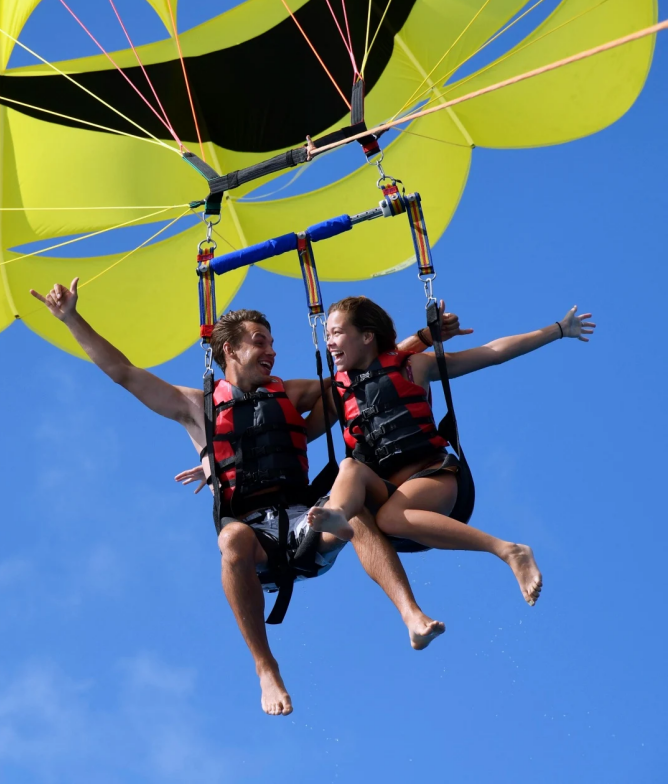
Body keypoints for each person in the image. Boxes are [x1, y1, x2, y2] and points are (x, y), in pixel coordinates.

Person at [30, 278, 467, 716]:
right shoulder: (195, 407)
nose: (271, 351)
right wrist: (71, 319)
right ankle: (266, 668)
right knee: (231, 540)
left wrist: (422, 339)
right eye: (260, 342)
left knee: (352, 506)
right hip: (254, 538)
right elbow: (124, 373)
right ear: (230, 351)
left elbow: (367, 370)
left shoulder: (292, 393)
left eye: (272, 342)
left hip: (308, 521)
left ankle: (411, 614)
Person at [307, 296, 596, 606]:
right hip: (386, 492)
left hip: (435, 477)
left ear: (366, 336)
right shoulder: (336, 394)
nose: (330, 342)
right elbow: (299, 433)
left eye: (337, 333)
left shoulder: (413, 366)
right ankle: (339, 513)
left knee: (389, 519)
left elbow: (491, 353)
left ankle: (509, 550)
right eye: (326, 336)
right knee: (349, 468)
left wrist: (559, 329)